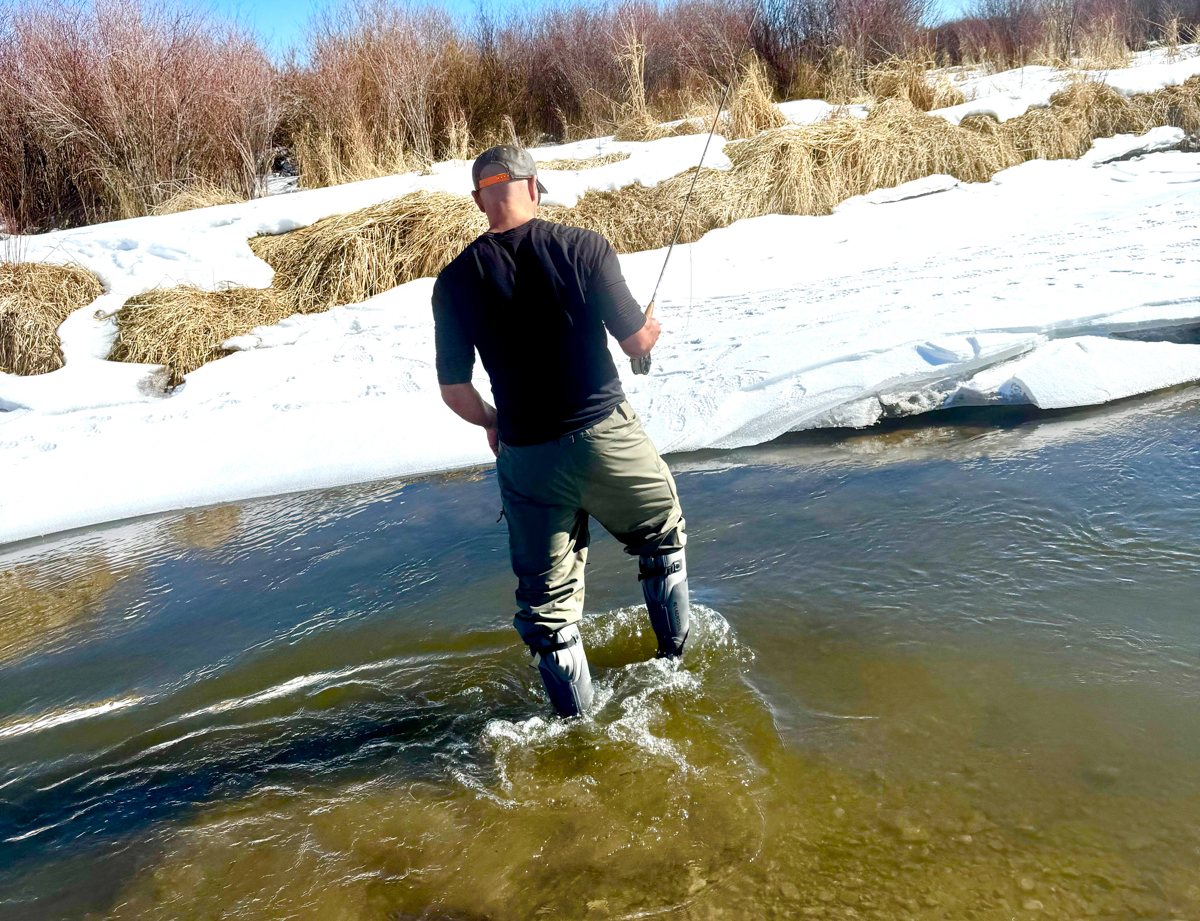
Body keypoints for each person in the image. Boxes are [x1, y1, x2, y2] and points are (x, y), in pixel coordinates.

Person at [432, 145, 691, 718]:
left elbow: (455, 390)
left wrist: (492, 421)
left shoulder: (452, 281)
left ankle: (576, 734)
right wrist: (650, 330)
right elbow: (633, 343)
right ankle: (675, 666)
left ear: (480, 200)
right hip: (606, 435)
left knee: (549, 614)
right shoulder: (584, 246)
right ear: (533, 187)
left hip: (526, 457)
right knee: (661, 541)